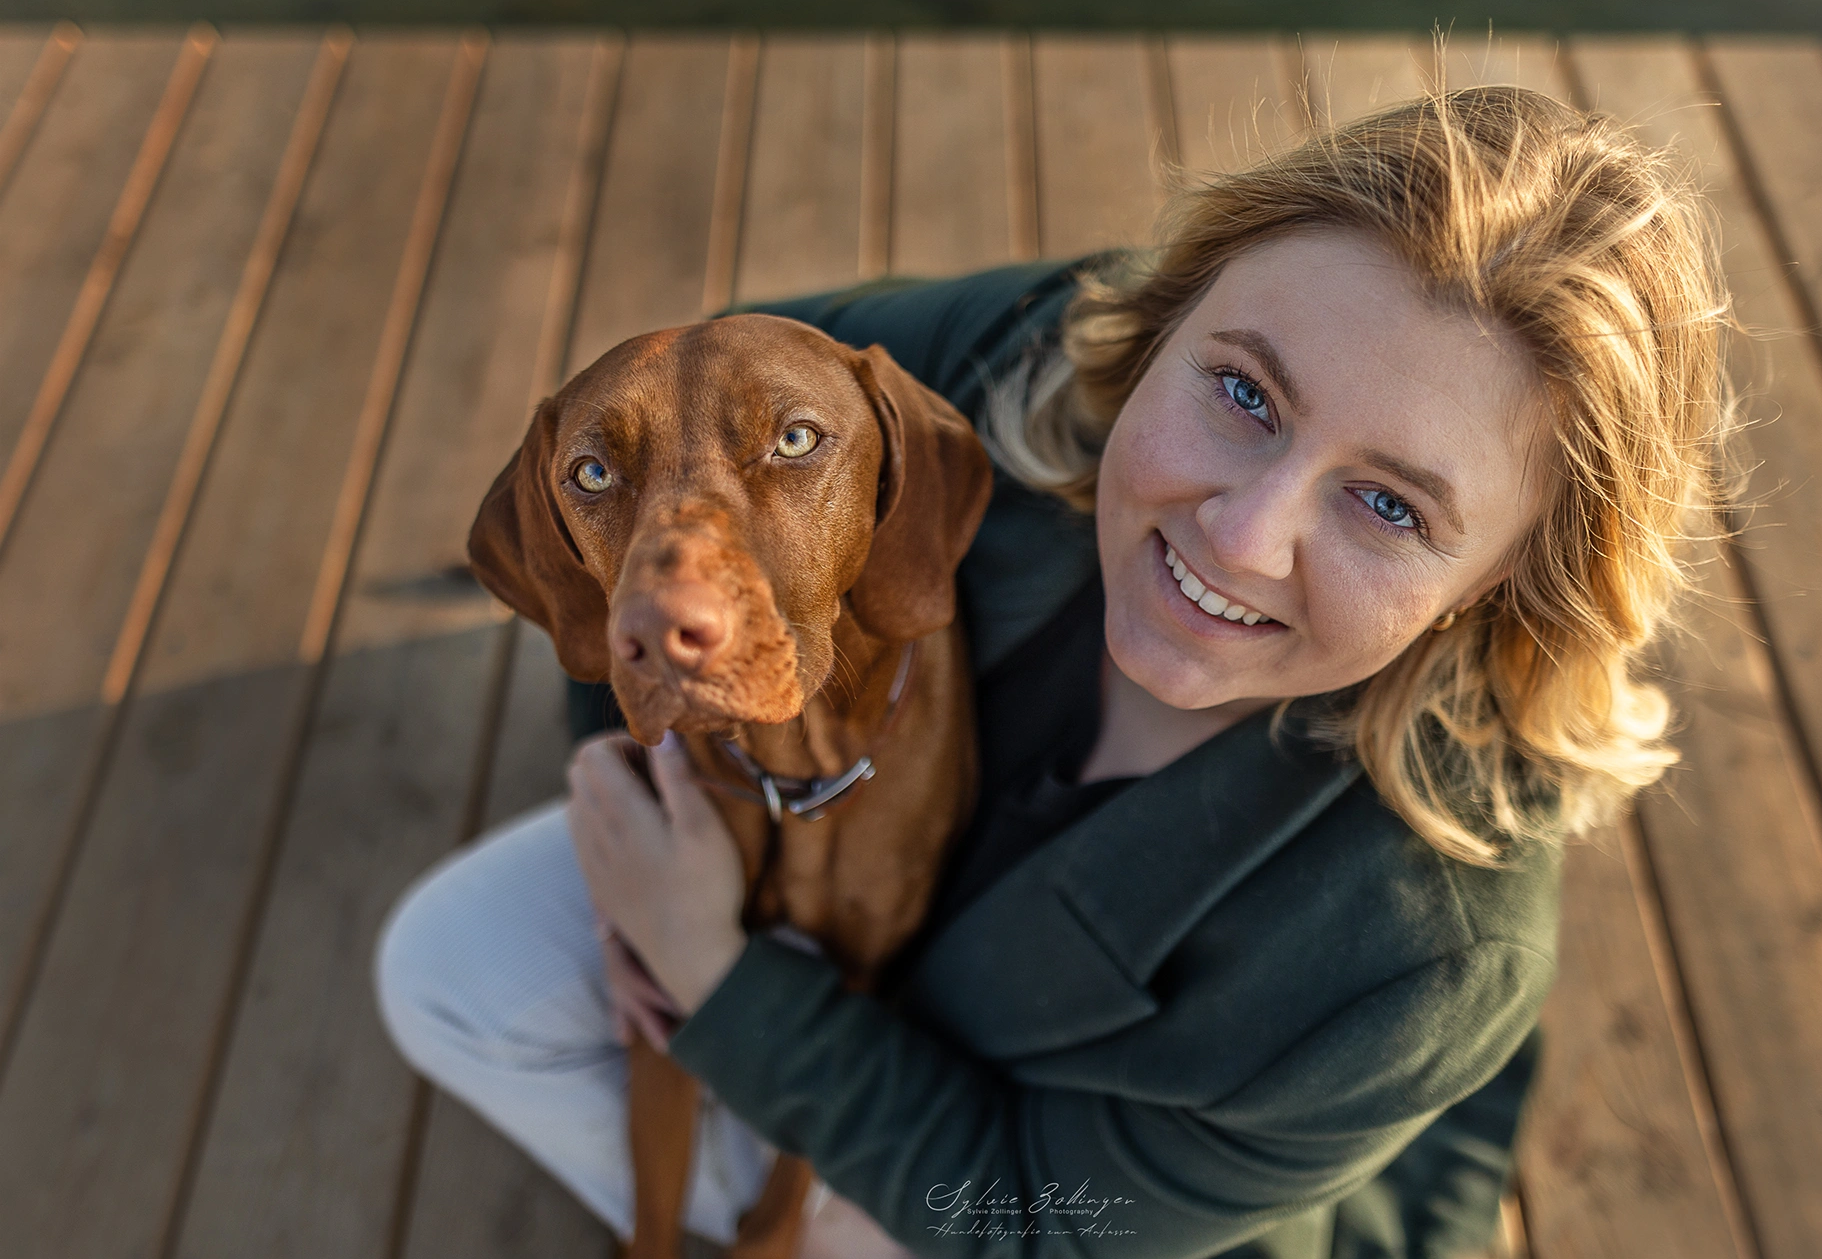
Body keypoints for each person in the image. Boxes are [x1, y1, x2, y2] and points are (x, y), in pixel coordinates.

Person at [375, 83, 1730, 1259]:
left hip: (1067, 1204)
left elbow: (1030, 1221)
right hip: (789, 879)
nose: (1241, 536)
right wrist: (658, 764)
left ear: (1509, 579)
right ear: (1167, 319)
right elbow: (623, 506)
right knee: (446, 967)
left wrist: (722, 992)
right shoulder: (991, 361)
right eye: (1244, 394)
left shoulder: (1414, 959)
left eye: (1389, 507)